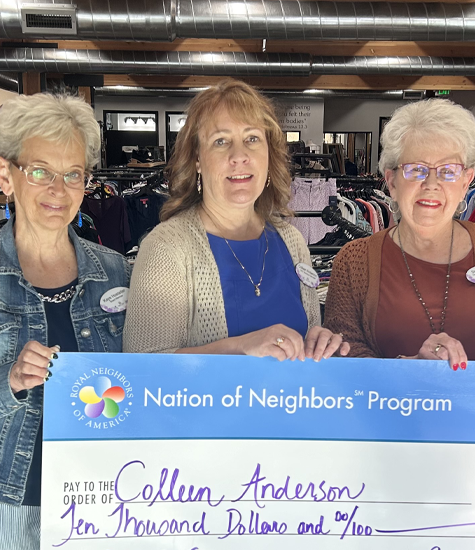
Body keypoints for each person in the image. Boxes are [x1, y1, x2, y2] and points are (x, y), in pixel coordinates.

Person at [0, 93, 130, 550]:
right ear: (6, 176)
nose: (58, 191)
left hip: (96, 495)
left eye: (73, 174)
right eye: (40, 171)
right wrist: (9, 380)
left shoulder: (116, 272)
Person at [324, 99, 475, 372]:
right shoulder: (353, 261)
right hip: (394, 412)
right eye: (416, 169)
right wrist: (411, 368)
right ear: (392, 182)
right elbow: (342, 356)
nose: (431, 185)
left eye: (448, 172)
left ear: (466, 182)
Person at [124, 78, 347, 360]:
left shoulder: (293, 242)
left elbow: (305, 339)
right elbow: (142, 365)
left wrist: (318, 341)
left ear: (269, 153)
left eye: (252, 139)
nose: (239, 156)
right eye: (221, 141)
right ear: (197, 159)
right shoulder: (166, 249)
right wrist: (239, 347)